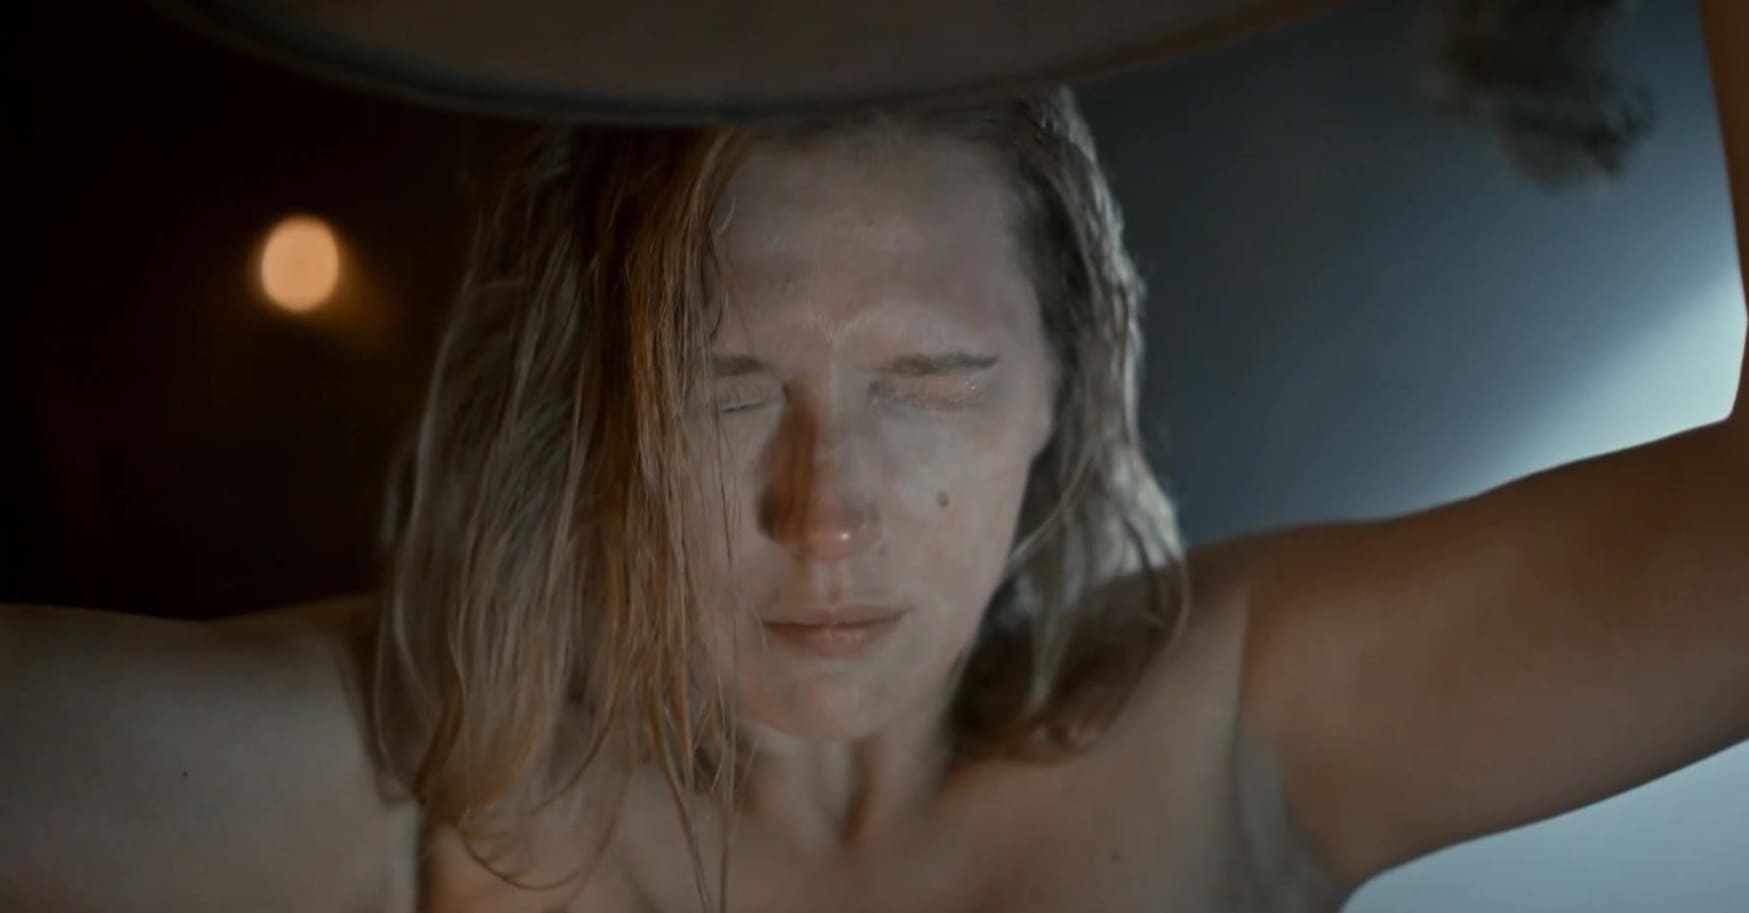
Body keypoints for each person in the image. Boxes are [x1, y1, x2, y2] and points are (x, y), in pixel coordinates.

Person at [3, 2, 1744, 911]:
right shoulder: (428, 791)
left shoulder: (1229, 727)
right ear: (597, 405)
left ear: (1064, 384)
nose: (823, 511)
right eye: (724, 388)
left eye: (927, 380)